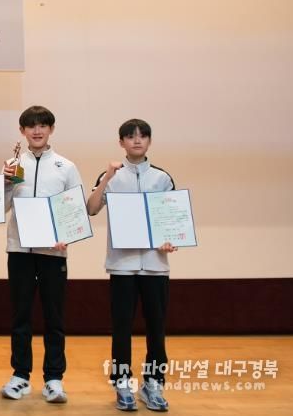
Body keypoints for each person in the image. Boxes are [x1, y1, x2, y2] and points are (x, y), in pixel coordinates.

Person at [86, 118, 177, 412]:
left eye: (142, 136)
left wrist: (170, 240)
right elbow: (91, 209)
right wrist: (107, 178)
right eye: (130, 136)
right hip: (122, 266)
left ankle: (153, 383)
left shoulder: (162, 178)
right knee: (121, 327)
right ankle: (122, 383)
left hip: (155, 266)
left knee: (156, 328)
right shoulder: (111, 176)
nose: (137, 140)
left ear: (149, 141)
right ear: (121, 142)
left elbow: (172, 220)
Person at [0, 106, 83, 403]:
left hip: (53, 253)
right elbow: (0, 208)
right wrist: (5, 182)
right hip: (19, 250)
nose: (37, 131)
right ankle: (20, 375)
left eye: (43, 125)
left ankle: (54, 379)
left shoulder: (66, 167)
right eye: (31, 126)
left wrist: (66, 236)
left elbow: (75, 209)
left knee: (54, 317)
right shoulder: (13, 164)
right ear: (22, 131)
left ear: (51, 129)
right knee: (20, 315)